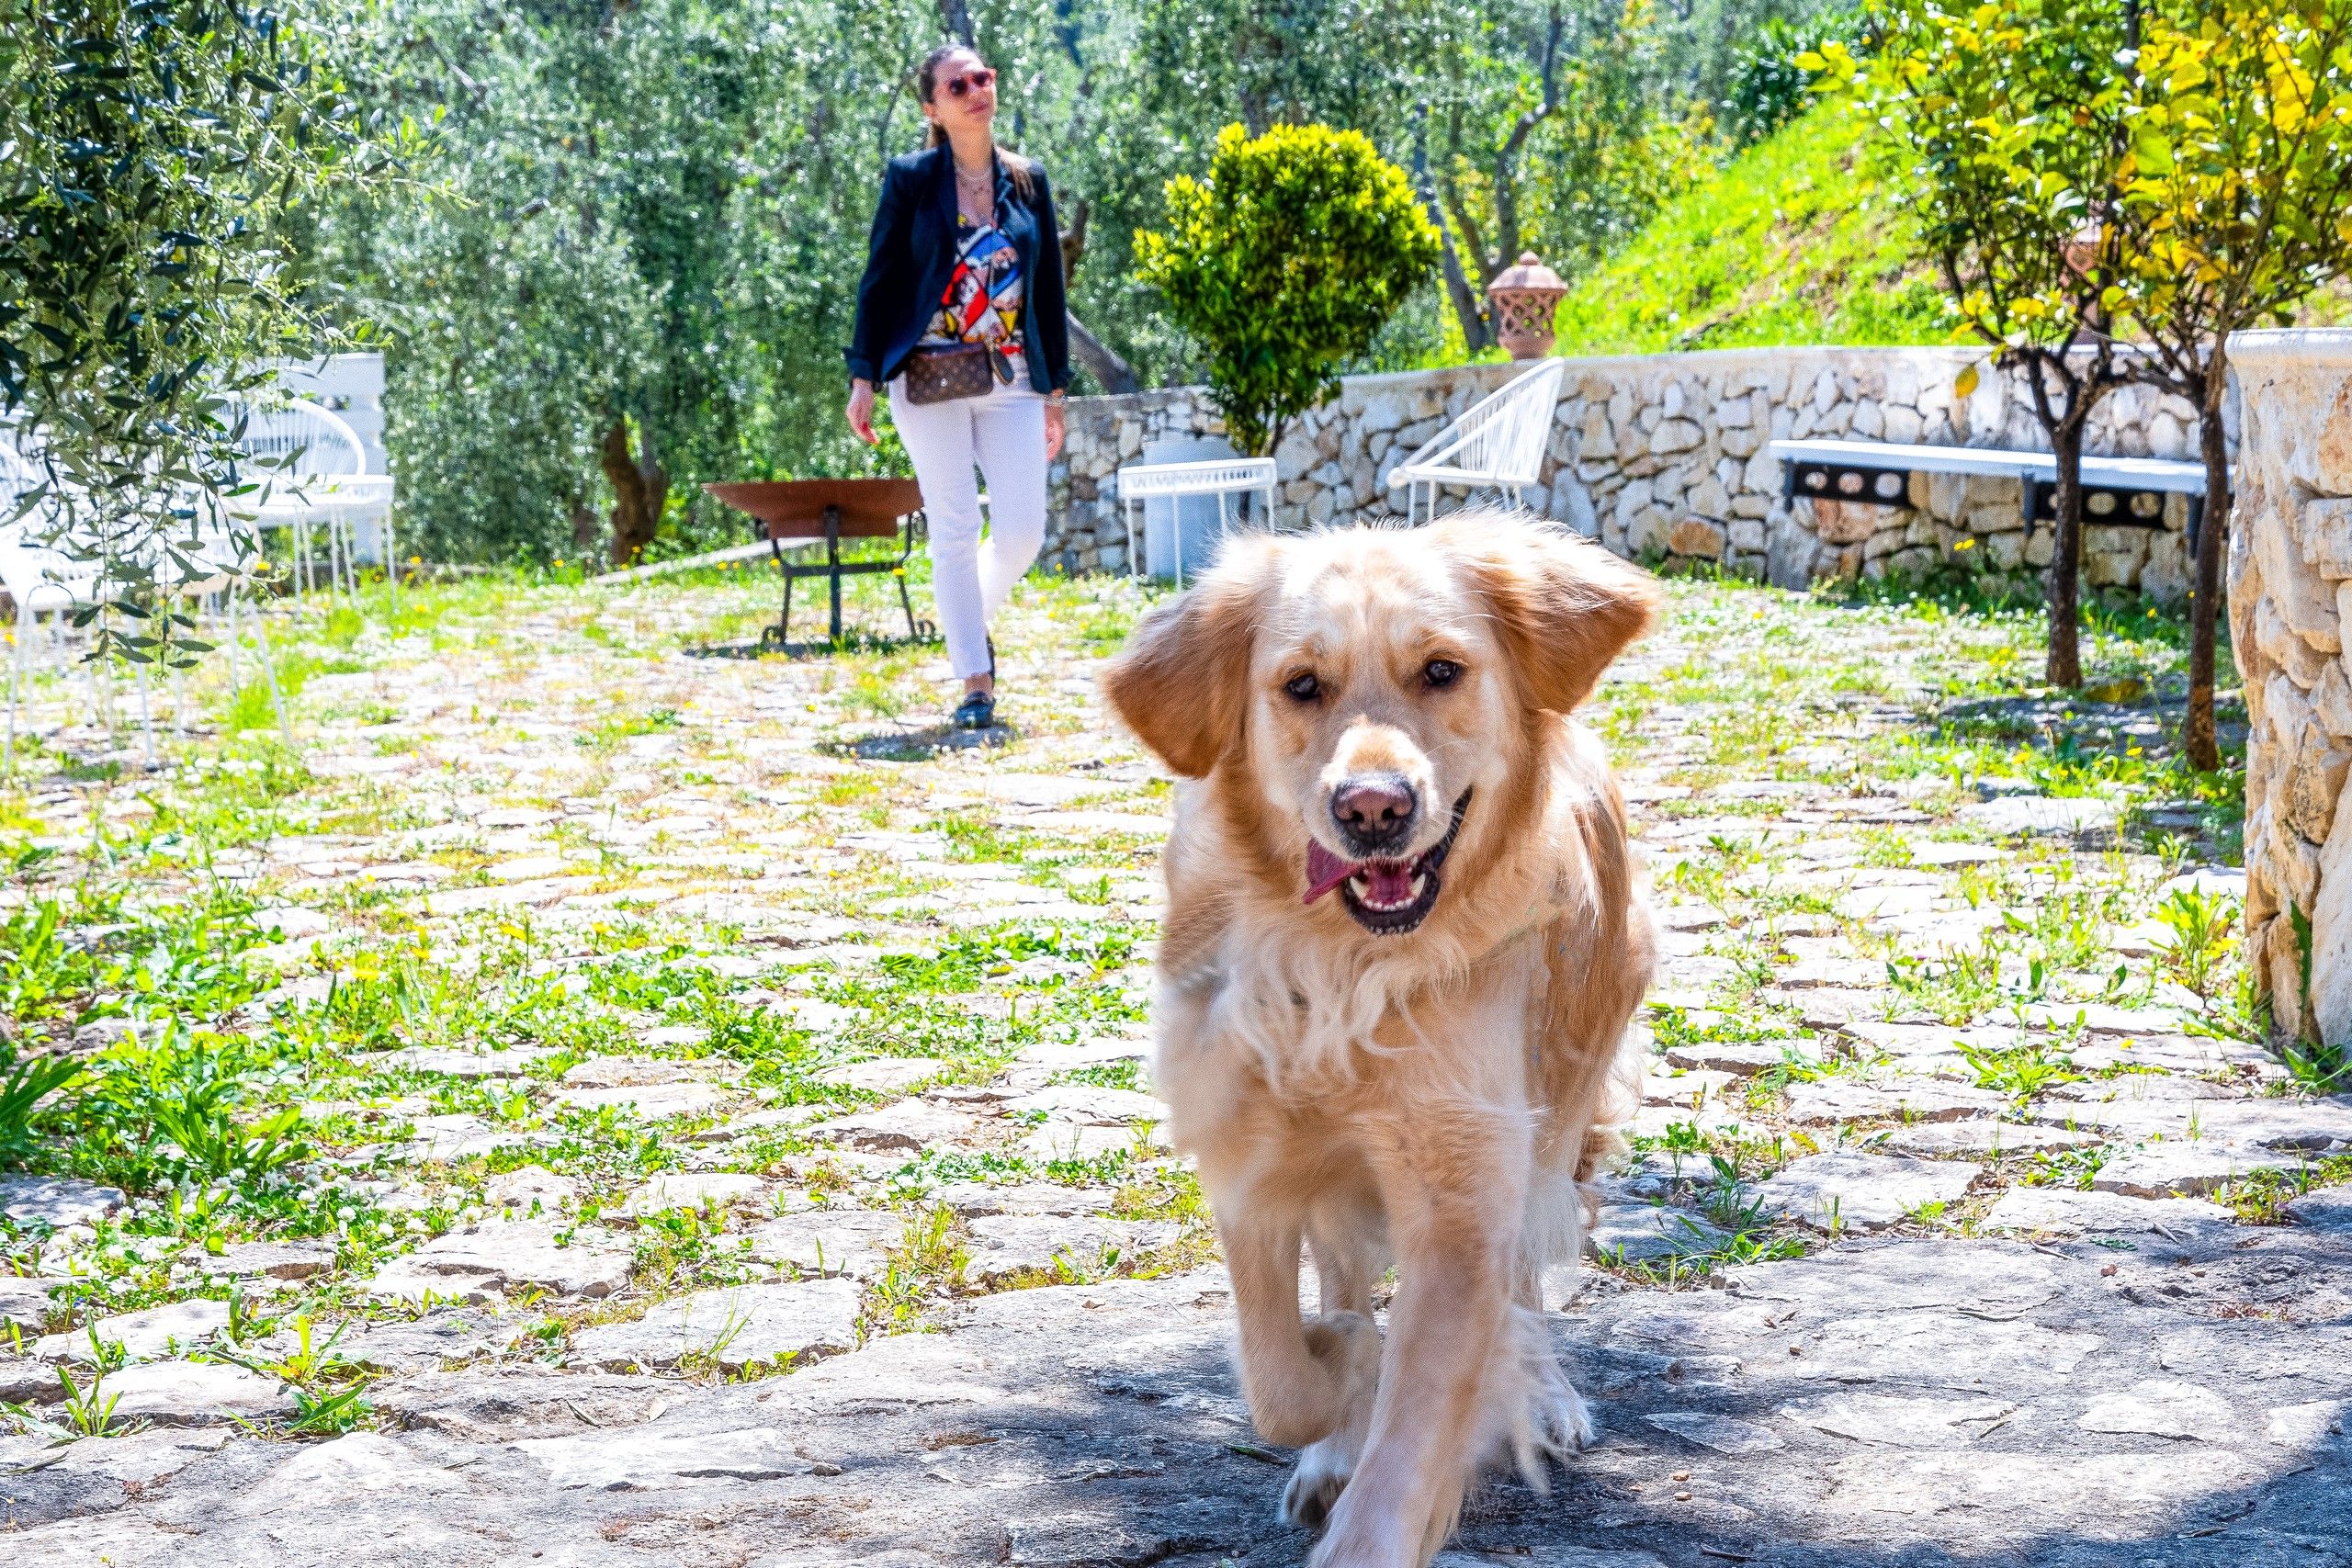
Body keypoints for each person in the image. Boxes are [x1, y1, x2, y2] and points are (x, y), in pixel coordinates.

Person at [844, 42, 1069, 731]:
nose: (976, 89)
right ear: (933, 109)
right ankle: (974, 675)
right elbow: (880, 278)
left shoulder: (1027, 181)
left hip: (1012, 376)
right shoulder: (911, 179)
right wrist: (861, 378)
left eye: (983, 77)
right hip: (927, 373)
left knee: (1023, 534)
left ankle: (967, 621)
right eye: (958, 83)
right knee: (954, 526)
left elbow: (1049, 291)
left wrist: (1055, 392)